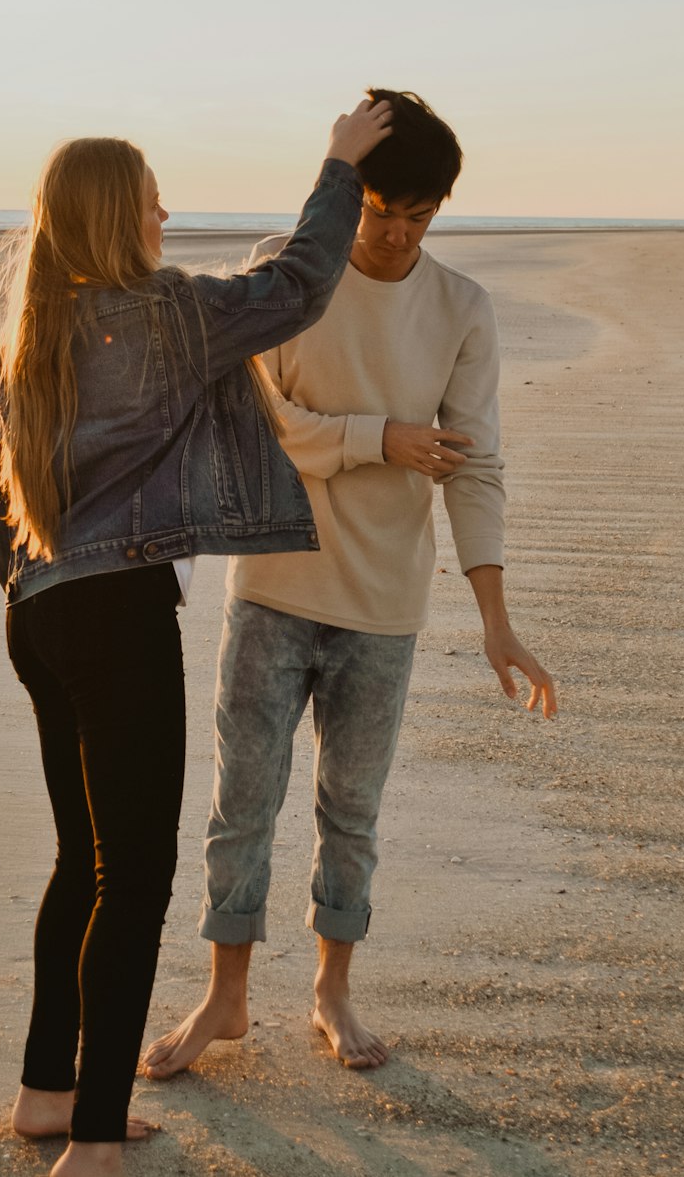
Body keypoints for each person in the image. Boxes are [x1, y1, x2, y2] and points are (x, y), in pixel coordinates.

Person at [0, 97, 392, 1177]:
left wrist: (42, 602)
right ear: (115, 214)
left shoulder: (21, 334)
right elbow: (298, 283)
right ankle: (97, 1138)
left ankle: (44, 1092)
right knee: (137, 873)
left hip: (41, 613)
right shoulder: (164, 314)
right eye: (151, 193)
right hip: (115, 617)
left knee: (81, 858)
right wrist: (340, 163)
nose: (168, 208)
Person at [144, 89, 556, 1082]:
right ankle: (226, 992)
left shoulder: (462, 309)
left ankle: (331, 990)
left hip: (385, 605)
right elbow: (271, 427)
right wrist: (384, 439)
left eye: (419, 215)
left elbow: (477, 463)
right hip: (275, 586)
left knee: (351, 808)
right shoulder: (286, 281)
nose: (397, 233)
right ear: (349, 197)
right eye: (379, 211)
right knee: (242, 797)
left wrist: (496, 618)